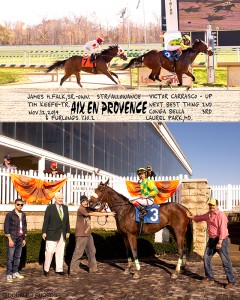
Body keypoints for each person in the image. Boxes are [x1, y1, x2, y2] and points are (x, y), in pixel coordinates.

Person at [186, 199, 236, 289]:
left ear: (217, 206)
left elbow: (223, 230)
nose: (211, 207)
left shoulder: (221, 216)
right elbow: (199, 218)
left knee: (226, 262)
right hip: (211, 240)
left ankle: (231, 281)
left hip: (221, 240)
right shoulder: (208, 214)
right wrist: (190, 217)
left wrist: (220, 242)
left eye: (213, 205)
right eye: (210, 205)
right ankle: (209, 277)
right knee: (206, 258)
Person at [70, 195, 114, 275]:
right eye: (83, 201)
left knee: (92, 251)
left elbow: (97, 210)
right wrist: (108, 214)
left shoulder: (87, 208)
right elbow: (94, 213)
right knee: (78, 252)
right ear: (81, 203)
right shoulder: (81, 209)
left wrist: (103, 205)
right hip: (81, 234)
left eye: (86, 201)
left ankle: (93, 268)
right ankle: (73, 270)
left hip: (88, 234)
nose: (85, 202)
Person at [42, 192, 70, 276]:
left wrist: (68, 231)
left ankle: (59, 269)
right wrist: (44, 232)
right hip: (51, 233)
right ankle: (46, 269)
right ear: (55, 199)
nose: (61, 200)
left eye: (62, 198)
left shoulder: (65, 208)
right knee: (49, 251)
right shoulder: (50, 208)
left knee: (60, 252)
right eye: (59, 198)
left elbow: (67, 221)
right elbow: (46, 220)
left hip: (62, 234)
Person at [4, 198, 27, 283]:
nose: (20, 206)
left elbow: (25, 227)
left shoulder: (23, 215)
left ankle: (15, 272)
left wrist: (24, 238)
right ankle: (9, 274)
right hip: (13, 238)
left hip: (20, 238)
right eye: (18, 204)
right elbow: (6, 228)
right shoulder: (10, 214)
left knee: (18, 256)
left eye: (21, 205)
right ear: (15, 205)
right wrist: (9, 239)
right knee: (10, 257)